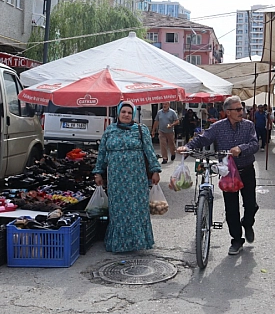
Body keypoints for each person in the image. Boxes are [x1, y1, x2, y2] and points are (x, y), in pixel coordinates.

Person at [178, 96, 259, 255]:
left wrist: (241, 148)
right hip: (227, 172)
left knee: (251, 205)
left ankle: (247, 223)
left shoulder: (248, 126)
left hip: (247, 170)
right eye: (237, 109)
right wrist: (187, 148)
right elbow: (202, 139)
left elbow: (255, 144)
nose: (241, 112)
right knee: (231, 208)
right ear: (228, 112)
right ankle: (236, 240)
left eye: (241, 108)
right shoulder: (218, 127)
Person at [93, 101, 162, 253]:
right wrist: (98, 172)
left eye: (129, 113)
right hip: (116, 179)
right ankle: (119, 244)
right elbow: (102, 153)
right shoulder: (109, 131)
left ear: (133, 115)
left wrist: (155, 170)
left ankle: (138, 242)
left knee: (137, 209)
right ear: (118, 113)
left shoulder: (140, 130)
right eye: (123, 112)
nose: (126, 115)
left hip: (136, 178)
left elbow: (149, 152)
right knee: (118, 210)